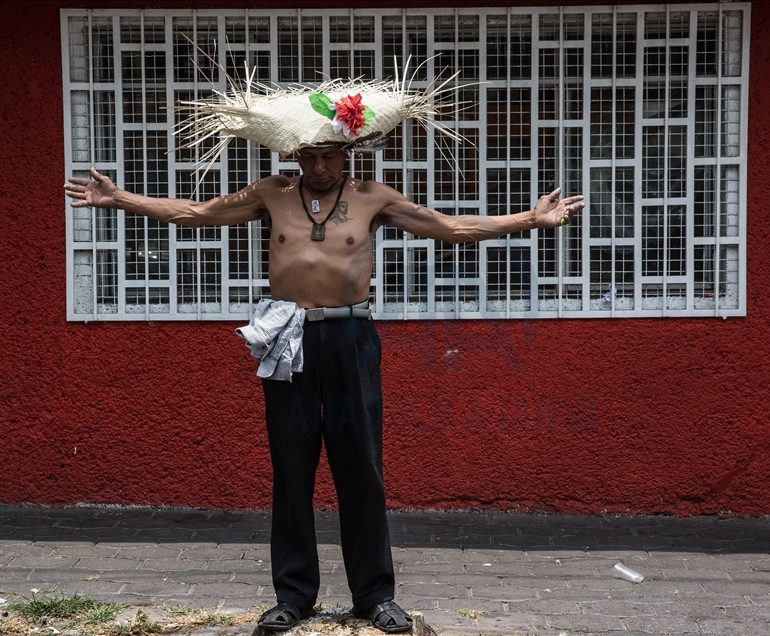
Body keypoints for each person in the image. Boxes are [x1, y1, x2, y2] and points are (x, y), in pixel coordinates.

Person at [64, 82, 583, 633]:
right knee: (292, 469)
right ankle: (293, 596)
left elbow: (450, 228)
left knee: (361, 468)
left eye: (328, 155)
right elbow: (196, 213)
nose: (317, 166)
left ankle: (374, 596)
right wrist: (118, 198)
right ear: (295, 156)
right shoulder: (271, 192)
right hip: (289, 340)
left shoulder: (373, 198)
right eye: (308, 156)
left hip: (351, 341)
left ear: (346, 151)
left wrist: (529, 220)